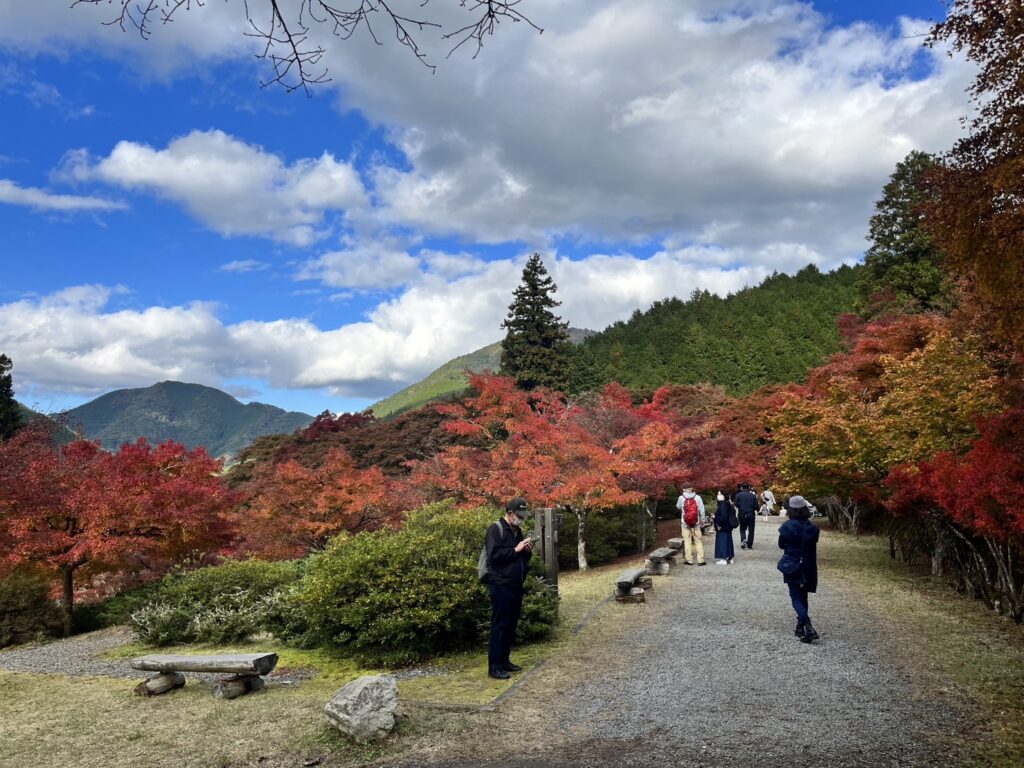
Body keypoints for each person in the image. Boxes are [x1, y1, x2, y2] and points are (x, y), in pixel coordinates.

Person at [484, 497, 535, 679]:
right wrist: (516, 549)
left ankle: (505, 660)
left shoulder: (516, 531)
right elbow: (494, 556)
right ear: (510, 513)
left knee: (511, 624)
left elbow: (520, 558)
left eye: (524, 516)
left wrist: (526, 551)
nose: (522, 519)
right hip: (500, 584)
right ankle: (494, 666)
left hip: (515, 584)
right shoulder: (495, 529)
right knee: (500, 625)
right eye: (519, 516)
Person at [778, 495, 821, 643]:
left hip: (792, 564)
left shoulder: (787, 527)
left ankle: (808, 626)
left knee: (795, 597)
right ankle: (799, 627)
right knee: (804, 597)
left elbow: (781, 544)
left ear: (791, 509)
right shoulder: (813, 528)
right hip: (808, 565)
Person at [676, 483, 706, 566]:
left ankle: (689, 560)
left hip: (684, 523)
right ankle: (701, 560)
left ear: (684, 489)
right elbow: (702, 510)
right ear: (692, 488)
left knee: (687, 541)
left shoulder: (681, 498)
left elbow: (678, 506)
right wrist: (702, 520)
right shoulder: (698, 497)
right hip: (696, 523)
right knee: (698, 540)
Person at [713, 491, 736, 564]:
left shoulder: (722, 505)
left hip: (723, 527)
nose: (717, 495)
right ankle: (730, 557)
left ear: (723, 496)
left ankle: (723, 559)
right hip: (728, 526)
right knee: (728, 541)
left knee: (722, 542)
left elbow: (723, 517)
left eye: (719, 494)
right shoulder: (728, 504)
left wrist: (715, 517)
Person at [735, 482, 758, 549]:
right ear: (749, 488)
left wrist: (741, 507)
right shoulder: (753, 496)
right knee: (751, 530)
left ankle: (743, 540)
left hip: (742, 513)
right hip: (750, 513)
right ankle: (749, 544)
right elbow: (756, 506)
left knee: (742, 528)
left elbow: (736, 504)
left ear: (741, 487)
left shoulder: (738, 495)